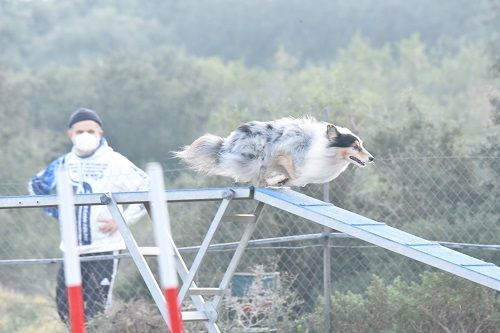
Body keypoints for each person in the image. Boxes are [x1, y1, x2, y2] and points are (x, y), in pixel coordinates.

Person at [28, 108, 150, 324]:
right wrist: (57, 212)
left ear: (100, 132)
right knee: (65, 306)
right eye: (80, 131)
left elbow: (147, 187)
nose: (85, 135)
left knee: (98, 310)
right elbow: (36, 185)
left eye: (91, 131)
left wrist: (122, 221)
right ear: (70, 134)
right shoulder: (63, 163)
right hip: (71, 249)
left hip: (104, 248)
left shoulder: (114, 161)